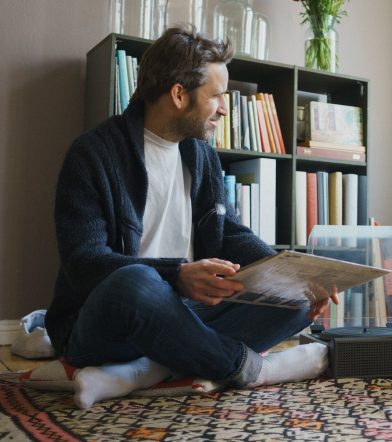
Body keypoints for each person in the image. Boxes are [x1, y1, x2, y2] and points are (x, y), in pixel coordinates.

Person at [45, 25, 337, 409]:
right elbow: (84, 263)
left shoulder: (201, 155)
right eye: (216, 95)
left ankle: (145, 370)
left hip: (185, 315)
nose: (224, 107)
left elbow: (231, 232)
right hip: (105, 320)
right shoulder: (92, 154)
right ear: (179, 95)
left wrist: (292, 274)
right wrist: (177, 275)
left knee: (293, 301)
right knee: (135, 281)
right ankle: (255, 370)